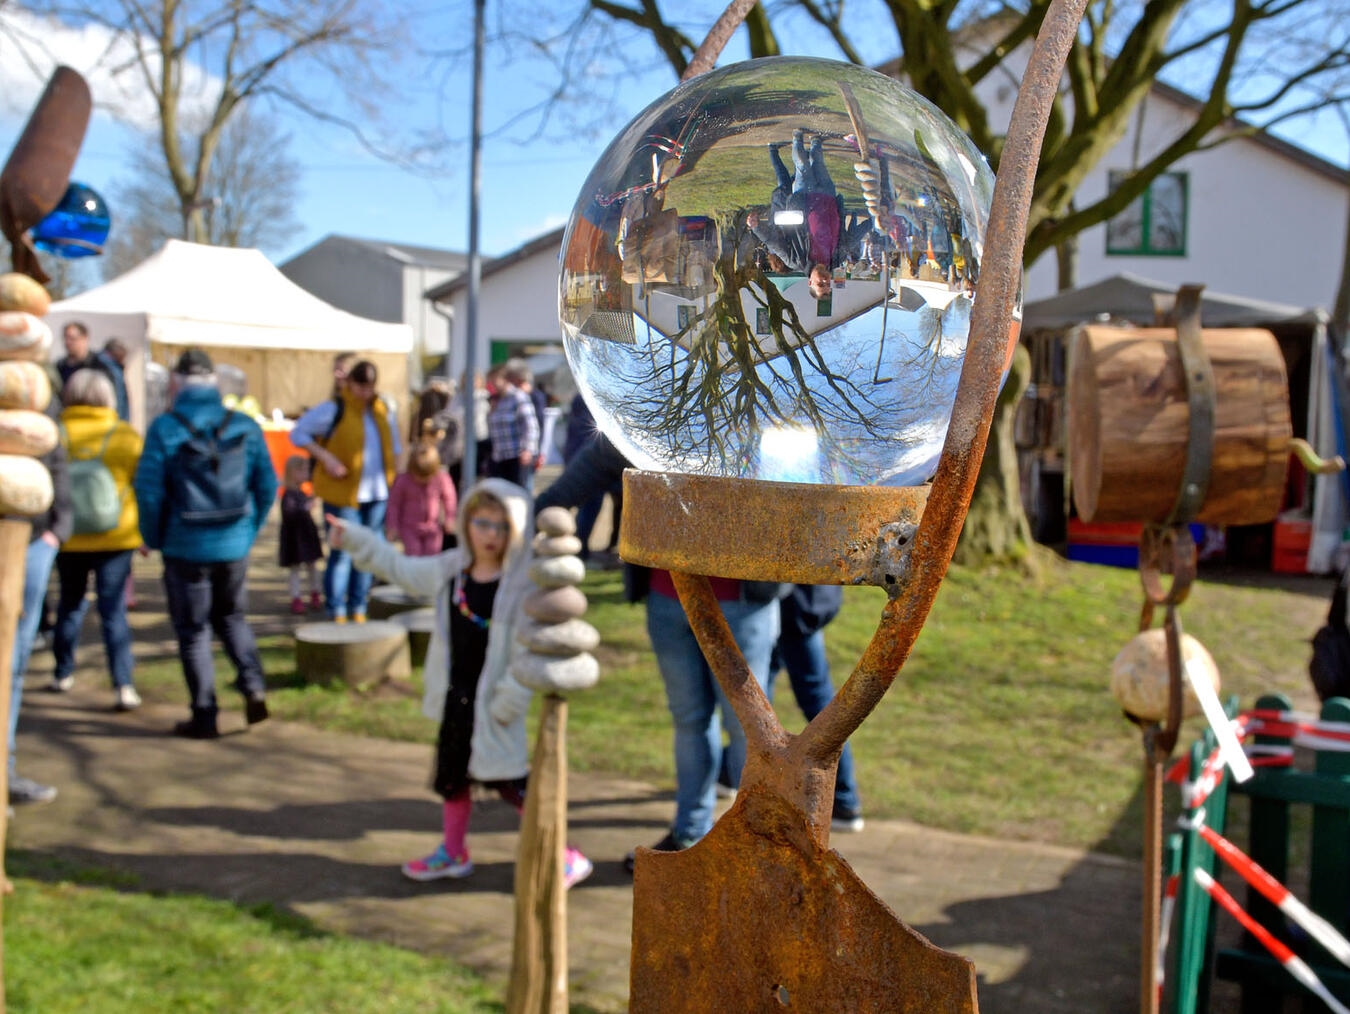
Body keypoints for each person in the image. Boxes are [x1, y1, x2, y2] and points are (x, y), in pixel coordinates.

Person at [325, 479, 592, 887]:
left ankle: (562, 855)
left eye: (502, 527)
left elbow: (528, 654)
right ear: (466, 521)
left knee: (515, 783)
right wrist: (355, 537)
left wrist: (511, 700)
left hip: (497, 703)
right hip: (458, 697)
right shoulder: (451, 571)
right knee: (453, 778)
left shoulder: (522, 587)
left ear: (515, 530)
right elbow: (400, 569)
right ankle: (452, 852)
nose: (490, 535)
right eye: (482, 523)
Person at [534, 434, 779, 870]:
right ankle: (690, 835)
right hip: (669, 599)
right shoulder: (667, 400)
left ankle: (754, 847)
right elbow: (601, 455)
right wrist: (545, 504)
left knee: (749, 729)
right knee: (690, 720)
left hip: (741, 603)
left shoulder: (758, 406)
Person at [133, 349, 277, 739]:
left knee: (194, 630)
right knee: (232, 618)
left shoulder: (165, 428)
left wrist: (153, 537)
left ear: (177, 382)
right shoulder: (245, 426)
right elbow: (267, 486)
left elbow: (147, 491)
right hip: (233, 543)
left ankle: (205, 713)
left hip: (185, 546)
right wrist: (249, 531)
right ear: (215, 383)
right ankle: (253, 685)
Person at [49, 369, 144, 712]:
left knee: (70, 604)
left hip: (67, 535)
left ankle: (62, 672)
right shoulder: (125, 435)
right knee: (113, 610)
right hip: (116, 536)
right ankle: (123, 683)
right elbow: (142, 483)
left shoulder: (55, 434)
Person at [289, 359, 400, 623]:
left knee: (367, 553)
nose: (364, 393)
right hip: (343, 495)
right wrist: (326, 458)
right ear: (349, 383)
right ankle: (336, 608)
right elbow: (298, 433)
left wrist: (396, 482)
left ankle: (359, 605)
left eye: (369, 387)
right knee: (342, 553)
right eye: (359, 386)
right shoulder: (334, 409)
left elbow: (394, 447)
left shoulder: (381, 411)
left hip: (376, 495)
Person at [7, 441, 71, 804]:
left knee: (13, 664)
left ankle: (6, 769)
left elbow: (56, 461)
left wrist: (56, 532)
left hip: (31, 541)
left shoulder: (37, 418)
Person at [386, 430, 457, 557]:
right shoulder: (403, 481)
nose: (424, 480)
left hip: (433, 528)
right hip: (409, 528)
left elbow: (449, 498)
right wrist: (392, 526)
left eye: (427, 476)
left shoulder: (440, 478)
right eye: (420, 476)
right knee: (414, 555)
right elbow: (394, 504)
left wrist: (449, 518)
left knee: (432, 556)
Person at [55, 321, 128, 422]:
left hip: (99, 424)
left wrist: (118, 424)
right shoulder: (59, 367)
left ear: (85, 338)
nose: (68, 342)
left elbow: (118, 399)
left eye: (72, 338)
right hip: (69, 423)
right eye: (65, 338)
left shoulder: (102, 366)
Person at [278, 455, 323, 615]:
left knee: (312, 567)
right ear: (293, 472)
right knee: (295, 569)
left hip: (307, 536)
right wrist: (306, 507)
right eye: (303, 470)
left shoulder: (302, 493)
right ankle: (296, 597)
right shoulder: (289, 495)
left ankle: (315, 592)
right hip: (295, 539)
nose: (306, 474)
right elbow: (290, 514)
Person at [486, 359, 539, 488]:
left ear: (505, 380)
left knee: (518, 492)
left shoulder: (518, 397)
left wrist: (528, 449)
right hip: (500, 456)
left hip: (516, 455)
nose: (493, 385)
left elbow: (530, 425)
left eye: (495, 381)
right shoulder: (496, 401)